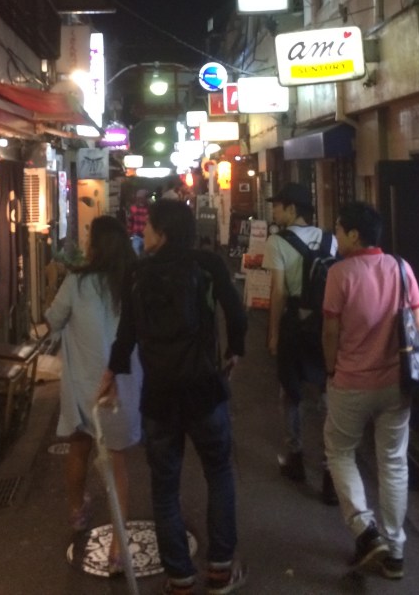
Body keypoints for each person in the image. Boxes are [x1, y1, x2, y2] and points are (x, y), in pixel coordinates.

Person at [98, 199, 248, 595]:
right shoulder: (207, 265)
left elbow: (126, 333)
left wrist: (111, 372)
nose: (142, 233)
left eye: (147, 228)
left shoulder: (137, 274)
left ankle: (179, 577)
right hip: (204, 391)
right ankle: (220, 569)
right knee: (218, 473)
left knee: (164, 486)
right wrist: (235, 349)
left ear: (162, 234)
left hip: (159, 397)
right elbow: (238, 313)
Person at [322, 201, 419, 580]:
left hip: (351, 383)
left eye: (337, 230)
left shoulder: (340, 274)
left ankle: (365, 532)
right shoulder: (401, 268)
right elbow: (417, 322)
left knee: (340, 450)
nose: (335, 236)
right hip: (397, 384)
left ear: (353, 234)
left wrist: (331, 369)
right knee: (394, 462)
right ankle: (395, 553)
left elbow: (330, 331)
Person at [45, 215, 142, 574]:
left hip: (84, 381)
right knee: (117, 462)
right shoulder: (131, 283)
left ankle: (76, 510)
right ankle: (118, 549)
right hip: (117, 383)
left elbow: (53, 320)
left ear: (97, 246)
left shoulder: (76, 283)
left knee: (79, 446)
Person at [262, 182, 337, 500]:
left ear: (293, 210)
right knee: (326, 393)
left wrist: (273, 333)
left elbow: (278, 292)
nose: (274, 211)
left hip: (294, 324)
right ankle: (332, 468)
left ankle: (295, 457)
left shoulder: (276, 242)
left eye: (278, 205)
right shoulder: (330, 240)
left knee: (291, 392)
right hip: (324, 323)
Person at [127, 187, 150, 255]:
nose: (140, 199)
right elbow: (130, 220)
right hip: (137, 234)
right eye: (138, 198)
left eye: (141, 198)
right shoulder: (133, 208)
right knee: (135, 251)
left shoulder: (149, 208)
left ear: (145, 198)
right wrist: (129, 232)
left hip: (147, 235)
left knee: (148, 253)